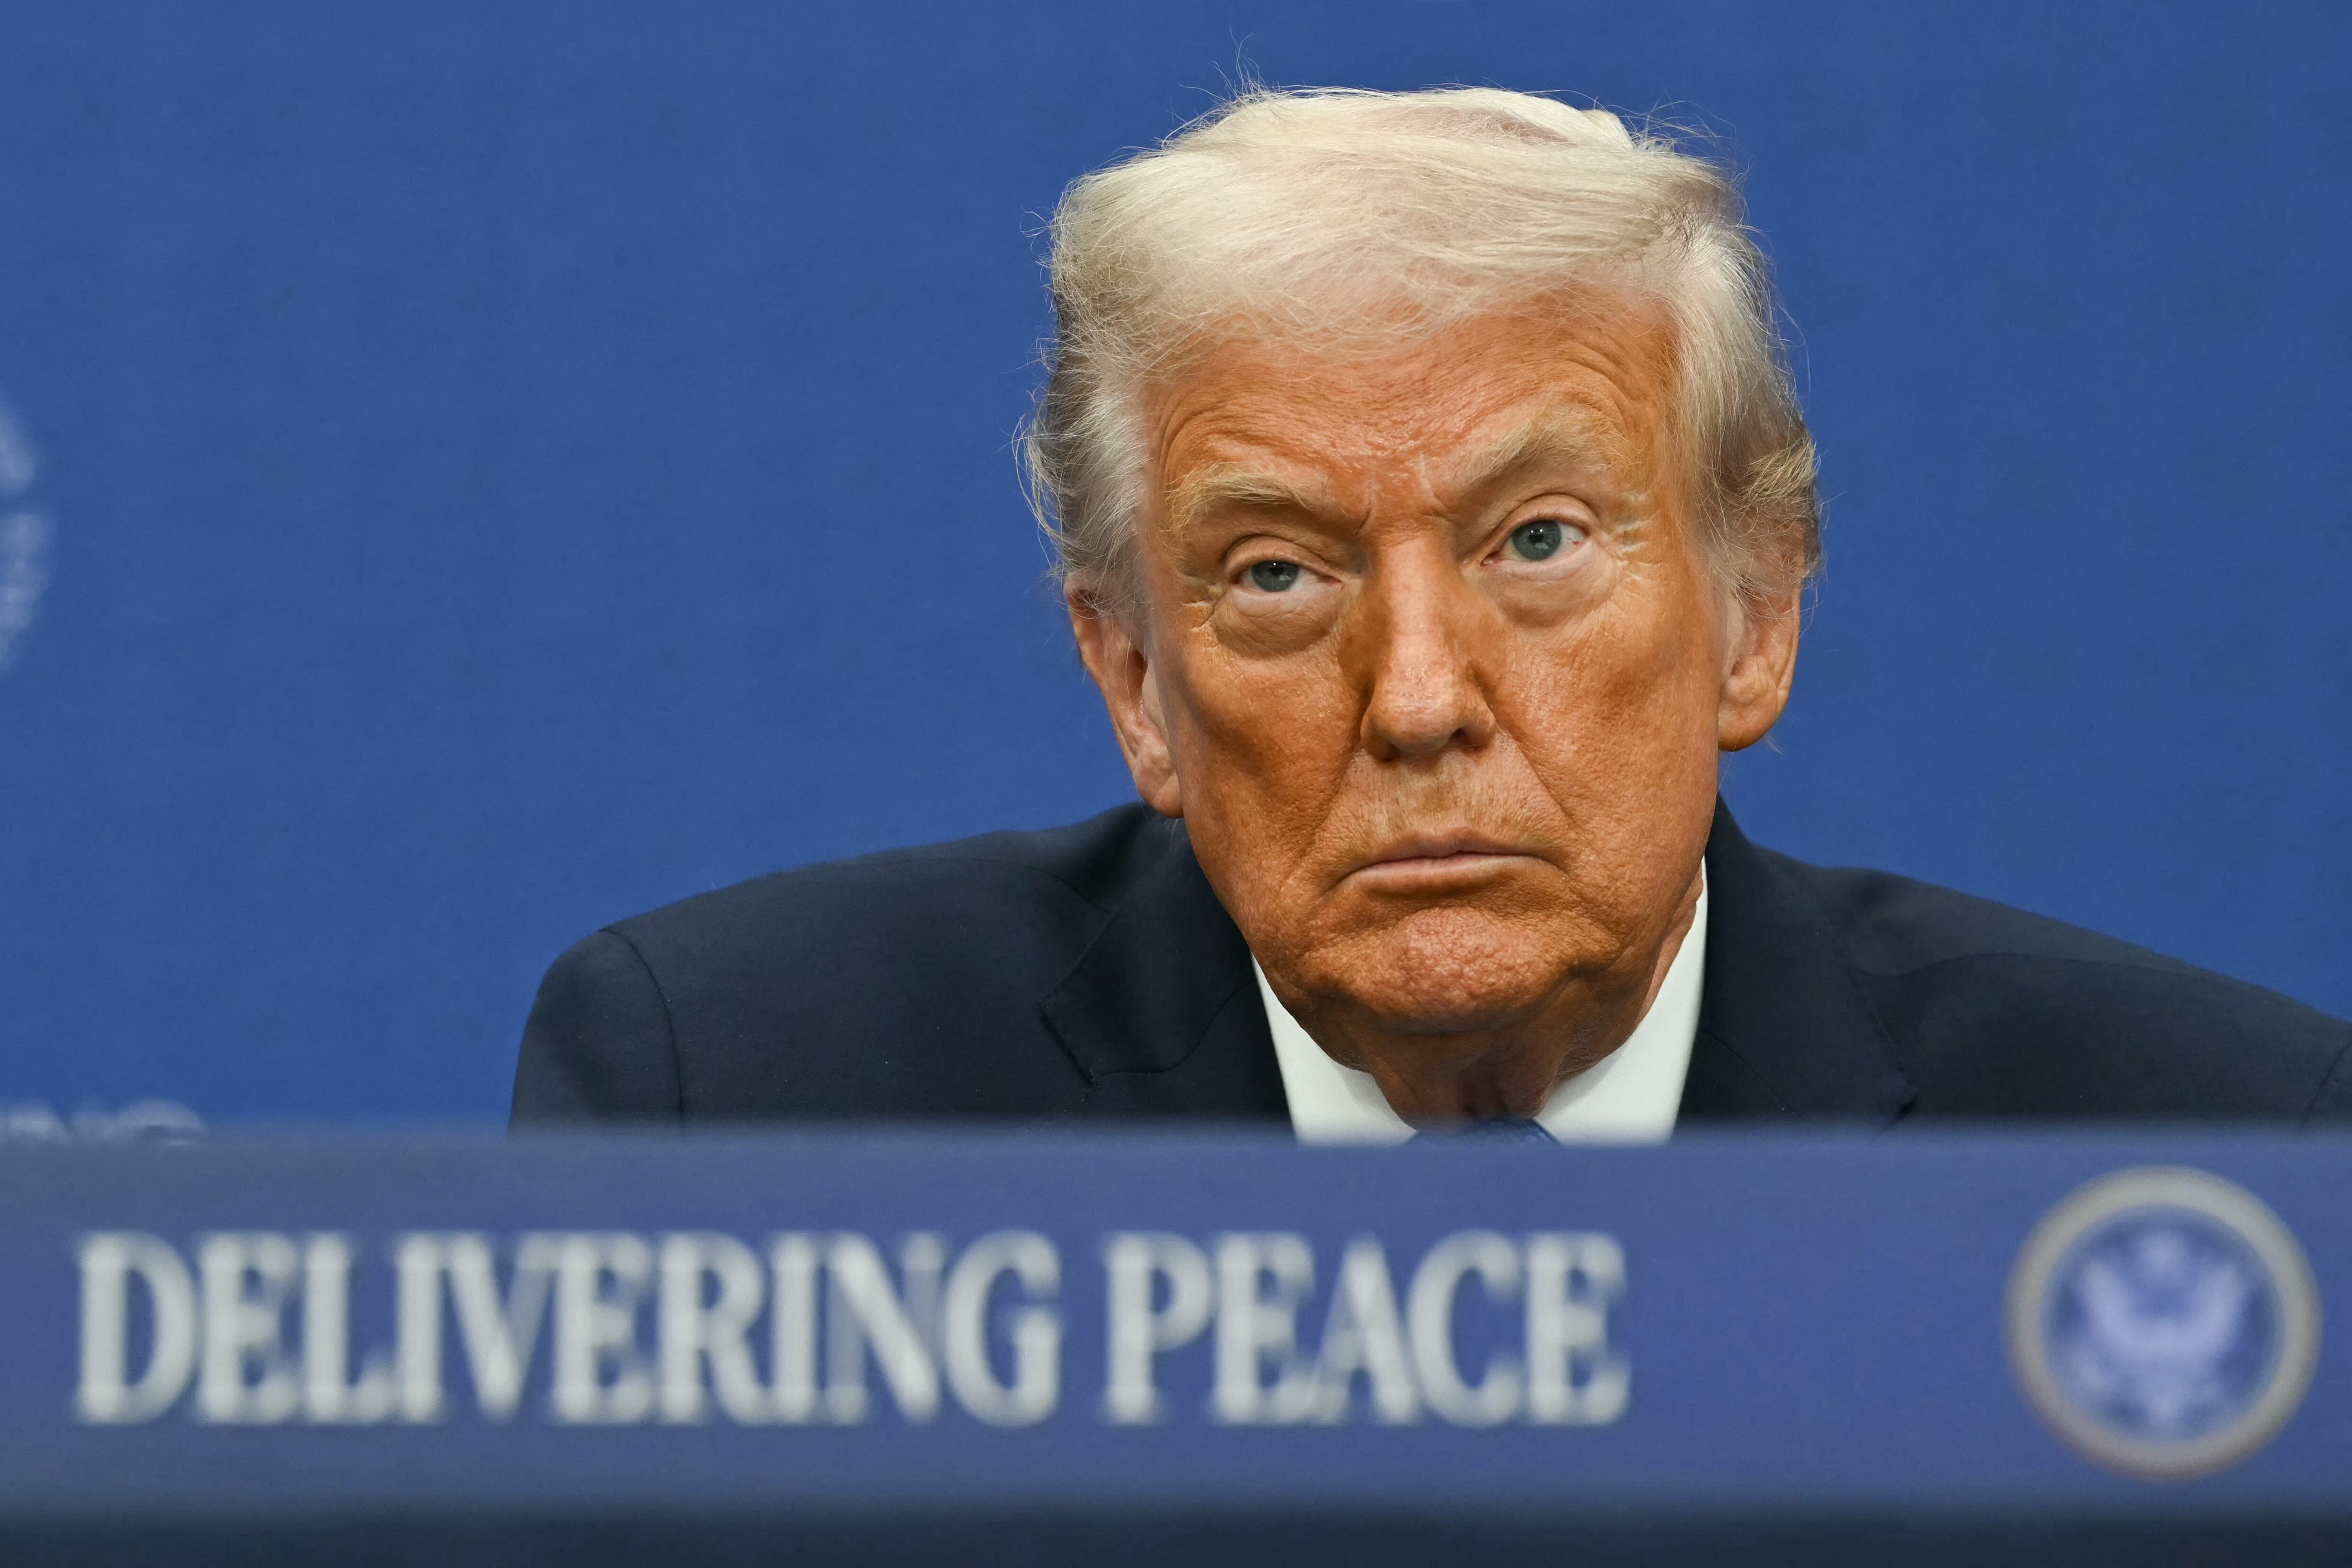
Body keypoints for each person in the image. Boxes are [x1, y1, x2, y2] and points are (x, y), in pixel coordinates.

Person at [512, 86, 2348, 1137]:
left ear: (1752, 614)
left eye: (1536, 542)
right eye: (1279, 574)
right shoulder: (753, 1109)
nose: (1413, 699)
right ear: (1133, 679)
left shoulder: (2201, 1158)